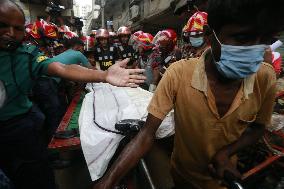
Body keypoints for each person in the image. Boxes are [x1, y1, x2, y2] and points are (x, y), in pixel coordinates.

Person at [93, 0, 284, 188]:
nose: (256, 51)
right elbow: (146, 133)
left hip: (222, 181)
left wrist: (227, 152)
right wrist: (108, 180)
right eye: (242, 38)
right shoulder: (178, 74)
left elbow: (257, 128)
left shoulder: (265, 77)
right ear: (210, 35)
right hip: (181, 176)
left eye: (266, 40)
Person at [0, 1, 145, 189]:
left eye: (17, 28)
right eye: (3, 25)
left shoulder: (28, 55)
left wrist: (104, 75)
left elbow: (64, 68)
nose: (10, 33)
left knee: (37, 175)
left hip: (23, 126)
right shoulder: (87, 52)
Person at [33, 37, 92, 144]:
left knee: (51, 111)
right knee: (54, 112)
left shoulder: (64, 54)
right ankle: (55, 143)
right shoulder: (78, 54)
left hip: (39, 82)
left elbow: (66, 76)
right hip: (47, 83)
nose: (83, 51)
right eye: (82, 48)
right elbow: (91, 71)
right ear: (78, 47)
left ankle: (49, 137)